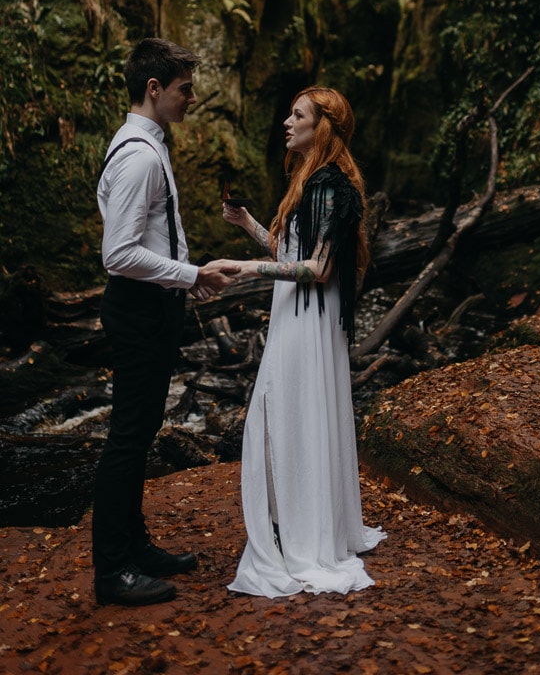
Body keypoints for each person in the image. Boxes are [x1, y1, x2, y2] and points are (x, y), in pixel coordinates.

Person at [93, 37, 240, 607]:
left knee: (141, 428)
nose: (192, 98)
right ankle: (112, 572)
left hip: (148, 305)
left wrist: (181, 281)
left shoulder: (142, 145)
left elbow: (135, 238)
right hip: (136, 309)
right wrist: (190, 274)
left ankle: (135, 546)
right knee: (128, 438)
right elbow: (118, 253)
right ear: (153, 89)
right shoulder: (137, 155)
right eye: (184, 88)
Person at [224, 86, 386, 597]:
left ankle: (303, 530)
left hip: (305, 319)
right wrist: (249, 224)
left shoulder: (330, 187)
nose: (286, 123)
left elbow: (316, 269)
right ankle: (305, 521)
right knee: (296, 414)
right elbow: (291, 250)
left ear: (323, 128)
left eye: (297, 116)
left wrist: (249, 268)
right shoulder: (313, 182)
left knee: (280, 417)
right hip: (299, 318)